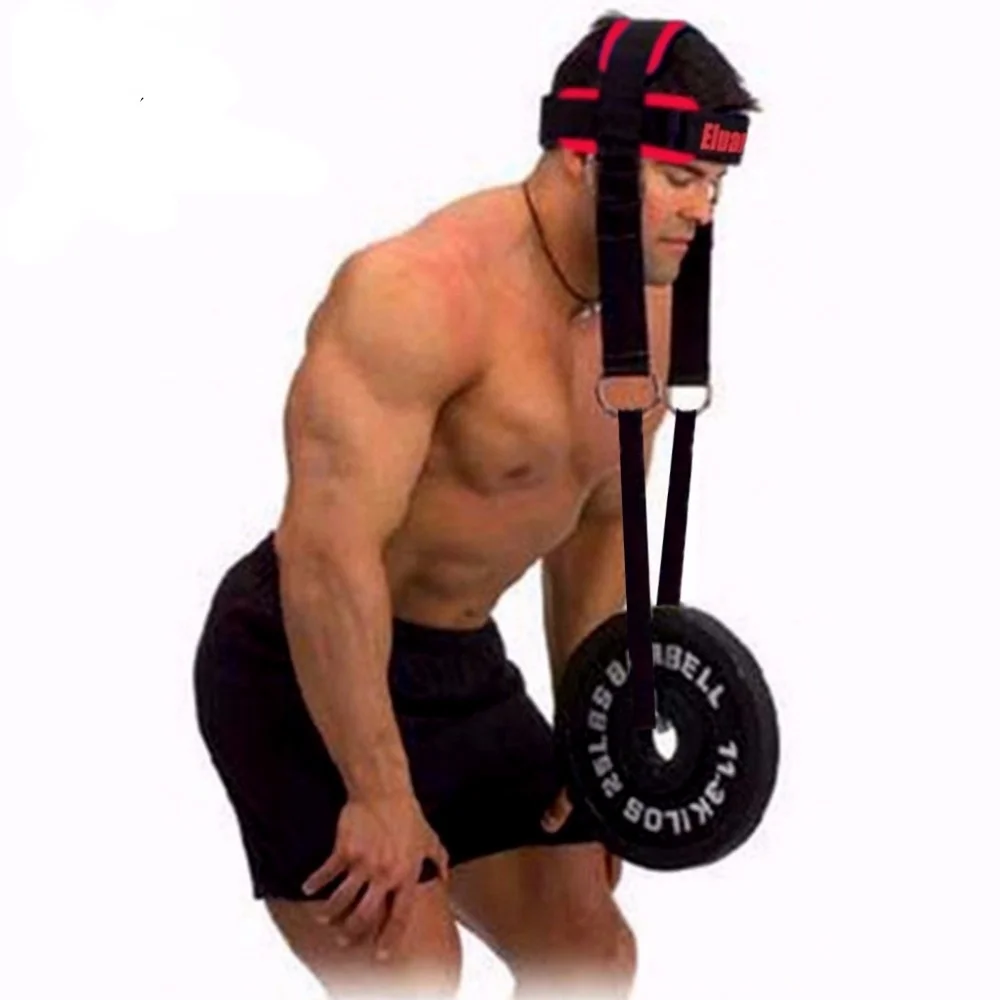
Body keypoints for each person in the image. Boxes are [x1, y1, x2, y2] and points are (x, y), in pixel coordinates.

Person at [194, 11, 760, 998]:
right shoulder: (415, 294)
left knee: (590, 958)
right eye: (679, 177)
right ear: (586, 157)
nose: (701, 210)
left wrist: (594, 740)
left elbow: (600, 526)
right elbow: (327, 558)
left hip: (457, 665)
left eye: (714, 183)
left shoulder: (649, 313)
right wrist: (379, 792)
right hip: (301, 655)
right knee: (413, 969)